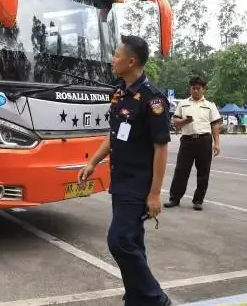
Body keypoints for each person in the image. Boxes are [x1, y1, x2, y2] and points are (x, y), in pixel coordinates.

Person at [78, 35, 172, 306]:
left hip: (138, 183)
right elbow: (114, 134)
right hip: (119, 181)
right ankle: (136, 297)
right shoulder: (120, 92)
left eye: (117, 55)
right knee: (132, 241)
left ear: (131, 61)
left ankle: (155, 298)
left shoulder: (153, 100)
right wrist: (93, 162)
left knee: (119, 241)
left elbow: (161, 148)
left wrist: (154, 194)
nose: (112, 59)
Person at [164, 76, 222, 211]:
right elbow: (175, 123)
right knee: (181, 171)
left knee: (203, 172)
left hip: (204, 141)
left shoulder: (210, 106)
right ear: (190, 89)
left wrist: (217, 143)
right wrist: (185, 121)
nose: (195, 91)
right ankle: (175, 198)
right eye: (193, 88)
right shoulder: (183, 104)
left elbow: (215, 125)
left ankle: (198, 200)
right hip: (187, 141)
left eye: (198, 88)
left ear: (203, 90)